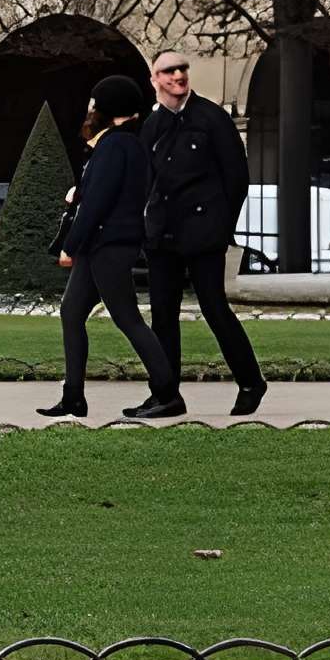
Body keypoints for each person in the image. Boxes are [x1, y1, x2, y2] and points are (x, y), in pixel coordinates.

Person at [44, 72, 183, 422]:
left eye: (95, 103)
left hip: (106, 243)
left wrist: (71, 245)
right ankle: (73, 396)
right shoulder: (122, 144)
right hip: (104, 243)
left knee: (128, 318)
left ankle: (167, 393)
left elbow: (99, 203)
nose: (90, 108)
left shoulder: (114, 145)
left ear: (109, 108)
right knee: (71, 312)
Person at [137, 49, 267, 417]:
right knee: (162, 315)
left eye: (181, 68)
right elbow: (145, 180)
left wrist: (221, 227)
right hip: (163, 235)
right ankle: (165, 394)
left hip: (203, 233)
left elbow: (237, 178)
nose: (177, 75)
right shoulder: (153, 125)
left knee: (214, 308)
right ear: (155, 80)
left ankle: (251, 381)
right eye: (167, 71)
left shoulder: (212, 118)